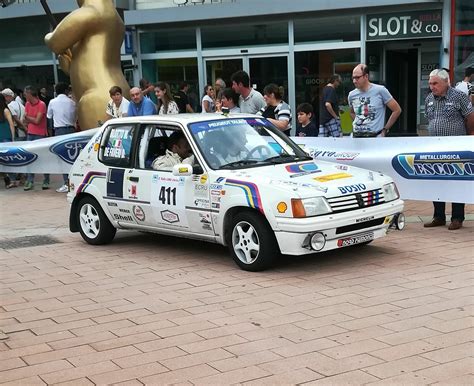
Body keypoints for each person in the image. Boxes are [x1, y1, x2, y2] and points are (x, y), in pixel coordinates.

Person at [44, 0, 130, 130]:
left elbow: (55, 43)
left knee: (98, 144)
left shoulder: (89, 13)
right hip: (118, 87)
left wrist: (48, 36)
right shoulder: (117, 20)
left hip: (97, 97)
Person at [423, 68, 474, 231]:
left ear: (446, 82)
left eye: (435, 83)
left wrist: (468, 135)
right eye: (430, 83)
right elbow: (430, 120)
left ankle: (457, 217)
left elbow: (470, 117)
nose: (432, 86)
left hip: (456, 147)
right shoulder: (429, 98)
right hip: (435, 148)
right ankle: (438, 216)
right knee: (437, 181)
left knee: (455, 181)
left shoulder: (458, 96)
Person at [348, 64, 401, 137]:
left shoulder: (380, 90)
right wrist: (361, 122)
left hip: (375, 136)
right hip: (356, 136)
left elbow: (397, 110)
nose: (354, 81)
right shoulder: (352, 95)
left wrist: (385, 129)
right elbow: (352, 112)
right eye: (353, 78)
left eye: (357, 78)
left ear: (366, 76)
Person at [47, 82, 77, 193]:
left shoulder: (52, 102)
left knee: (62, 158)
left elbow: (49, 116)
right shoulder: (72, 103)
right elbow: (74, 118)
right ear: (66, 91)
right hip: (71, 130)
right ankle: (73, 182)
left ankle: (66, 183)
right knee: (72, 157)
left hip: (59, 131)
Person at [23, 86, 49, 191]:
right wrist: (29, 119)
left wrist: (28, 118)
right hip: (30, 133)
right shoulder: (27, 104)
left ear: (30, 94)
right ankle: (30, 180)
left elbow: (37, 121)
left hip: (40, 134)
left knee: (42, 158)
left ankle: (46, 179)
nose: (24, 96)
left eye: (25, 94)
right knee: (29, 157)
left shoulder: (41, 104)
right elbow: (25, 120)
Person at [0, 93, 16, 189]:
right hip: (6, 137)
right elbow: (11, 124)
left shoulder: (5, 111)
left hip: (4, 137)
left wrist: (12, 138)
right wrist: (13, 137)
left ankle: (10, 179)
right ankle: (11, 179)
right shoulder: (5, 110)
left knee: (5, 160)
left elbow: (11, 124)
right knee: (8, 160)